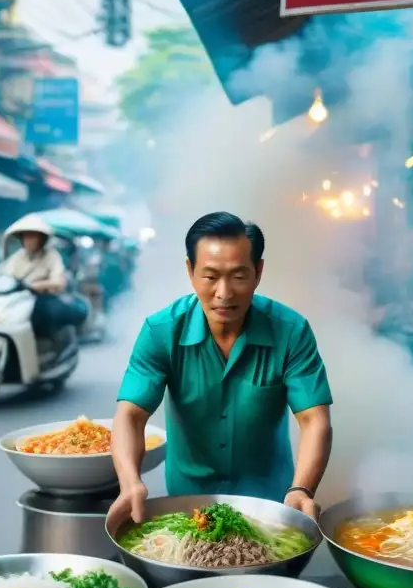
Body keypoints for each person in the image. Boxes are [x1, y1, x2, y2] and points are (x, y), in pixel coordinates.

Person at [107, 212, 334, 524]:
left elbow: (315, 420)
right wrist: (130, 482)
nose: (224, 293)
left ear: (258, 272)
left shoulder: (292, 331)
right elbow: (130, 416)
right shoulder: (160, 331)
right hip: (187, 500)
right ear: (190, 271)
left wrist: (302, 488)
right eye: (210, 277)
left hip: (272, 501)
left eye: (239, 277)